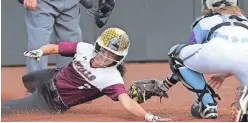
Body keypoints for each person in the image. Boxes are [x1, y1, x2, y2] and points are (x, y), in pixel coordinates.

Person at [128, 0, 248, 121]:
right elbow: (238, 54)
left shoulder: (203, 22)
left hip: (215, 53)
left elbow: (185, 63)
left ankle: (208, 105)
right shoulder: (246, 21)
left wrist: (166, 84)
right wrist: (224, 75)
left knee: (176, 53)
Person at [1, 28, 171, 122]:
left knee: (5, 109)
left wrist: (149, 116)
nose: (106, 56)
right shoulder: (85, 48)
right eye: (105, 50)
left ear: (119, 58)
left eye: (112, 55)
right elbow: (54, 48)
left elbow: (126, 102)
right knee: (27, 80)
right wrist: (39, 51)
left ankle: (32, 103)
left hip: (52, 100)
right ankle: (31, 98)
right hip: (52, 76)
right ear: (98, 46)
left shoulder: (111, 78)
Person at [22, 0, 83, 73]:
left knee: (71, 47)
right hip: (43, 3)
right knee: (38, 47)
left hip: (71, 4)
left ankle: (67, 82)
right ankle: (36, 83)